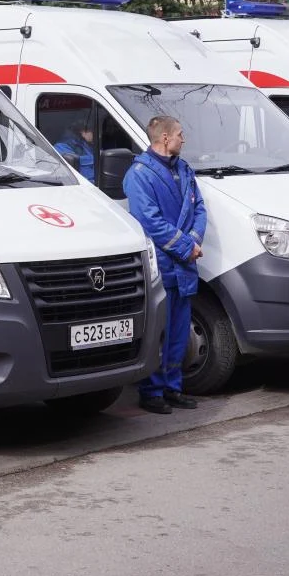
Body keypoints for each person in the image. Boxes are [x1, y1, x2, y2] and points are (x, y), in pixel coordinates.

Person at [123, 115, 207, 414]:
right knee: (161, 334)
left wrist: (194, 240)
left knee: (179, 334)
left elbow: (199, 208)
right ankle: (152, 391)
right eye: (180, 134)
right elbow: (150, 222)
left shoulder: (184, 170)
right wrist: (186, 246)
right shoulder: (139, 175)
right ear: (165, 138)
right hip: (163, 264)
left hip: (182, 264)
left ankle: (173, 387)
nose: (184, 139)